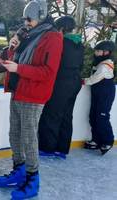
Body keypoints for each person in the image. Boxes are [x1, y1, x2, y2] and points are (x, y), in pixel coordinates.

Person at [0, 1, 63, 199]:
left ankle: (33, 179)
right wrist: (10, 49)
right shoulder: (27, 34)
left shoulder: (53, 37)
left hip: (33, 95)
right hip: (17, 90)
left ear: (41, 16)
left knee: (28, 138)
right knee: (14, 134)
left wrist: (19, 69)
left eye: (29, 18)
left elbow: (49, 72)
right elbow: (16, 59)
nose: (26, 22)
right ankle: (19, 170)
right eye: (25, 18)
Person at [38, 16, 84, 159]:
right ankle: (62, 149)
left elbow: (54, 63)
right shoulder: (79, 44)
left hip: (61, 82)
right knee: (66, 115)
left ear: (62, 29)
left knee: (52, 113)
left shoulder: (61, 42)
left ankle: (47, 148)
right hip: (74, 82)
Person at [83, 40, 115, 155]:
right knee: (93, 115)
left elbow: (93, 79)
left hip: (105, 93)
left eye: (98, 51)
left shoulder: (106, 65)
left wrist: (82, 81)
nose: (95, 53)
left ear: (106, 52)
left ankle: (108, 141)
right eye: (96, 50)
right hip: (98, 92)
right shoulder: (99, 63)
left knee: (102, 116)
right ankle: (96, 140)